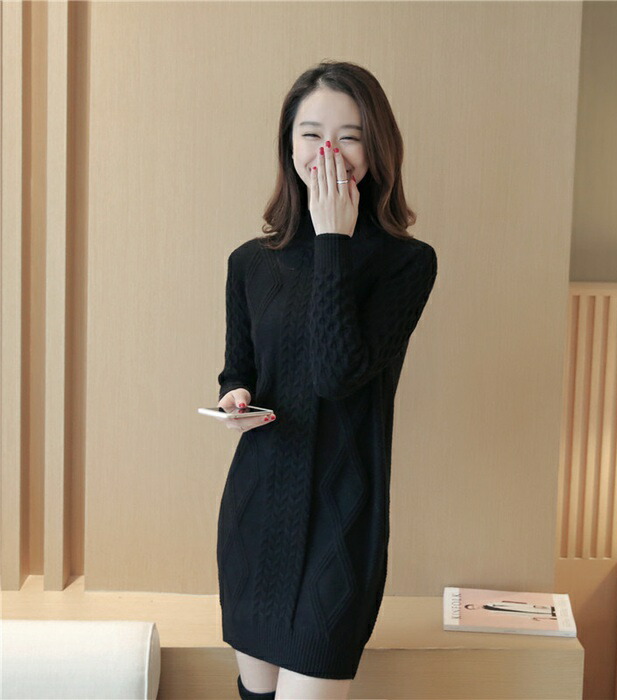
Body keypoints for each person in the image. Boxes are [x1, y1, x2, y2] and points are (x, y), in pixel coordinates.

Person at [215, 60, 438, 700]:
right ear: (289, 145)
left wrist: (333, 238)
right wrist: (234, 399)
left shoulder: (407, 264)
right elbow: (240, 370)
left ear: (376, 149)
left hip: (343, 517)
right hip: (258, 510)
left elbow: (337, 375)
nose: (328, 152)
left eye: (349, 136)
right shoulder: (251, 262)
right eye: (311, 134)